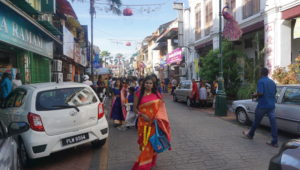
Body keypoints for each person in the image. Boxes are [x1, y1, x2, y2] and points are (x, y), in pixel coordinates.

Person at [132, 75, 171, 170]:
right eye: (147, 83)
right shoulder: (138, 94)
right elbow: (135, 108)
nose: (148, 85)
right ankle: (149, 161)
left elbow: (161, 108)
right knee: (144, 143)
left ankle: (143, 165)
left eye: (150, 83)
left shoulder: (157, 94)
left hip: (154, 123)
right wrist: (142, 115)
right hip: (143, 123)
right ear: (143, 84)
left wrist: (158, 118)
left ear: (153, 85)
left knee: (151, 143)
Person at [242, 67, 278, 147]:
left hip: (263, 104)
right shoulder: (272, 82)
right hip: (271, 105)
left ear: (261, 73)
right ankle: (274, 141)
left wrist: (254, 95)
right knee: (273, 123)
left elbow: (260, 93)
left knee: (256, 121)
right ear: (267, 73)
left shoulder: (261, 81)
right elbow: (274, 92)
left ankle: (250, 134)